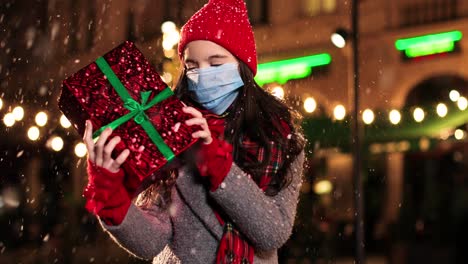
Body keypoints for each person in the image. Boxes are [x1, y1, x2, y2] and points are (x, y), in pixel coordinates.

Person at [82, 0, 306, 263]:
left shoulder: (278, 138)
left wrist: (217, 164)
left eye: (216, 62)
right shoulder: (170, 130)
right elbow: (150, 241)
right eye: (192, 65)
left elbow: (271, 233)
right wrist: (109, 191)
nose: (202, 75)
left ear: (242, 65)